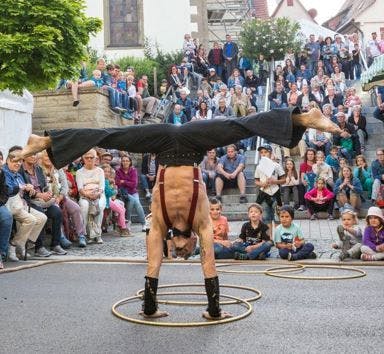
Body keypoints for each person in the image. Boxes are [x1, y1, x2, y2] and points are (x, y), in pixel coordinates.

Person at [17, 107, 340, 320]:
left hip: (164, 145)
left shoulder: (162, 221)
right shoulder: (197, 221)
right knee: (236, 127)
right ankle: (43, 140)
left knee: (113, 136)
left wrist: (150, 307)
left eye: (182, 253)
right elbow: (205, 260)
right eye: (185, 254)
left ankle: (304, 118)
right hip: (191, 143)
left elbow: (156, 262)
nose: (183, 254)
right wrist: (213, 310)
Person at [3, 147, 48, 260]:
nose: (17, 164)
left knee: (42, 217)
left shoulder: (17, 174)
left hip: (20, 205)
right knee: (30, 220)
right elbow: (8, 189)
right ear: (8, 161)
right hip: (10, 205)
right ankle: (14, 246)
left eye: (19, 161)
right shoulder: (5, 173)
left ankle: (20, 244)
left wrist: (30, 188)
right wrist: (21, 187)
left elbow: (25, 189)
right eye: (14, 161)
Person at [76, 149, 106, 244]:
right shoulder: (79, 172)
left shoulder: (100, 171)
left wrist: (97, 194)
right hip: (85, 195)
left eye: (91, 157)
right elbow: (80, 188)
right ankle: (84, 234)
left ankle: (97, 234)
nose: (89, 159)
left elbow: (102, 186)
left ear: (95, 158)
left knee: (100, 206)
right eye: (87, 157)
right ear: (83, 159)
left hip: (99, 195)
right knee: (84, 207)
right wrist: (88, 194)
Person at [255, 143, 285, 230]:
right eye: (261, 152)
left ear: (271, 153)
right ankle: (269, 239)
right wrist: (262, 184)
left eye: (266, 152)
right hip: (264, 192)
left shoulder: (276, 165)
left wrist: (274, 181)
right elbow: (256, 180)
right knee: (266, 218)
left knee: (277, 217)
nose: (263, 154)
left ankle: (277, 238)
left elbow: (284, 179)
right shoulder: (259, 167)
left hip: (275, 192)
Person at [115, 155, 146, 232]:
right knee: (133, 201)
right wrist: (127, 182)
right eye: (123, 161)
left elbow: (134, 184)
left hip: (133, 192)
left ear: (130, 162)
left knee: (137, 203)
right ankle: (129, 221)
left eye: (127, 161)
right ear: (121, 162)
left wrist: (124, 181)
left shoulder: (133, 170)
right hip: (123, 192)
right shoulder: (118, 171)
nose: (125, 162)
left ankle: (143, 223)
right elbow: (117, 183)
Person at [101, 164, 130, 237]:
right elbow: (108, 193)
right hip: (106, 200)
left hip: (109, 199)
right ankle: (123, 228)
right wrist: (114, 191)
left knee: (122, 207)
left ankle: (120, 225)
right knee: (121, 210)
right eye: (105, 171)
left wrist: (114, 189)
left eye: (108, 172)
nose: (107, 173)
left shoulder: (107, 180)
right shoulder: (104, 181)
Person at [0, 168, 13, 268]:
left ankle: (1, 253)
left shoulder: (1, 173)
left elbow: (4, 192)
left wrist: (1, 202)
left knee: (7, 217)